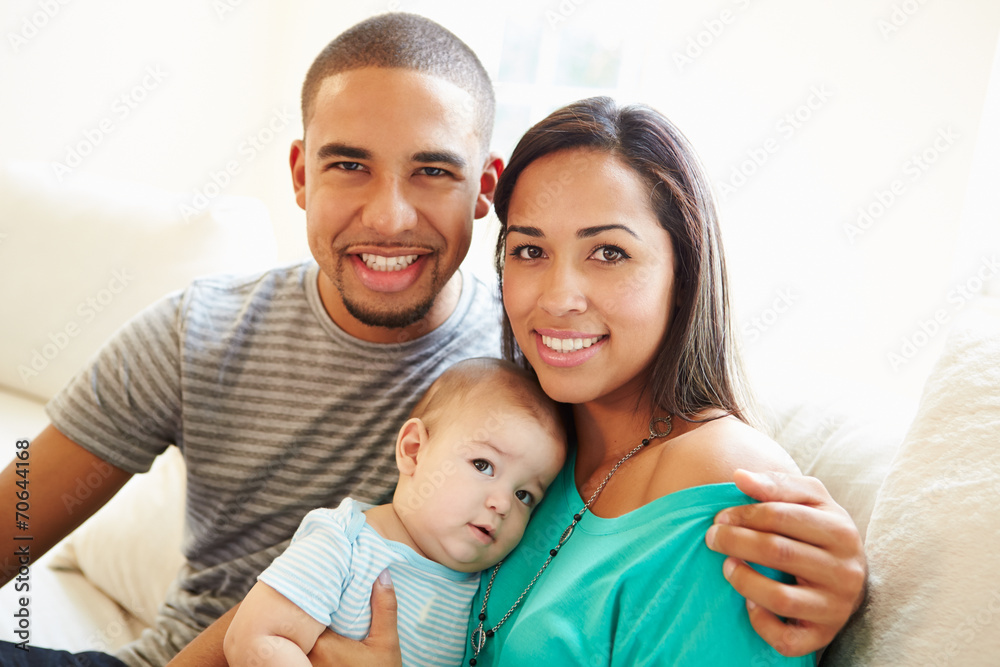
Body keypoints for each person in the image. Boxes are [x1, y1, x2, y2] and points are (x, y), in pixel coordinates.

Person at [0, 13, 863, 667]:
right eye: (349, 165)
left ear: (481, 188)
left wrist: (834, 574)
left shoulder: (536, 389)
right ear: (300, 174)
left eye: (433, 170)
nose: (388, 215)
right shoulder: (201, 333)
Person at [457, 96, 854, 665]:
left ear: (684, 272)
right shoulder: (530, 446)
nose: (558, 298)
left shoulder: (722, 493)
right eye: (529, 250)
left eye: (610, 252)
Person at [224, 357, 567, 667]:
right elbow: (254, 639)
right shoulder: (344, 544)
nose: (503, 504)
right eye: (484, 465)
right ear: (414, 451)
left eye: (525, 494)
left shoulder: (484, 591)